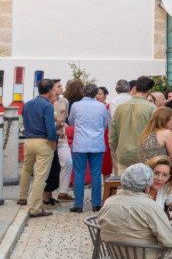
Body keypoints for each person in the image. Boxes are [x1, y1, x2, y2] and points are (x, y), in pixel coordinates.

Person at [17, 78, 58, 218]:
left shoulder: (28, 104)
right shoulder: (47, 106)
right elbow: (50, 127)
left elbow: (24, 121)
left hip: (28, 140)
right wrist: (53, 141)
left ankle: (22, 197)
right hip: (43, 142)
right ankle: (35, 208)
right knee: (40, 176)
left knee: (26, 169)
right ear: (50, 91)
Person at [67, 83, 110, 213]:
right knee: (96, 174)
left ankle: (78, 204)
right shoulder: (102, 106)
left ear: (83, 92)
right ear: (96, 93)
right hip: (97, 144)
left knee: (79, 174)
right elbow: (105, 124)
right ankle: (96, 204)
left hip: (80, 144)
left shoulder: (76, 105)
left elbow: (71, 121)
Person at [138, 105, 172, 205]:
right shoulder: (167, 133)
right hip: (158, 174)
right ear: (164, 120)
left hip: (145, 172)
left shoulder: (146, 133)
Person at [109, 76, 156, 175]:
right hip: (144, 154)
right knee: (143, 186)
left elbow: (113, 134)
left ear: (135, 88)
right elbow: (155, 133)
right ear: (149, 90)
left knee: (124, 185)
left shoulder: (120, 108)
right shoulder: (151, 108)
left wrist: (116, 149)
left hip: (123, 154)